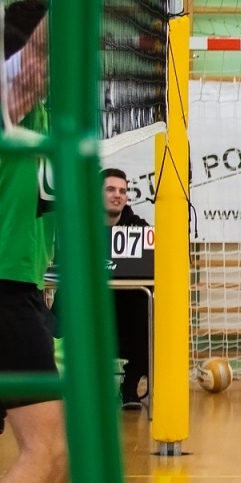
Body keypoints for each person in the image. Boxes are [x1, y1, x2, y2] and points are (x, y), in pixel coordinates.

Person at [0, 1, 67, 483]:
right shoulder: (10, 99)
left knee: (54, 452)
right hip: (1, 294)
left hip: (20, 293)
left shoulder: (43, 115)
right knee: (51, 448)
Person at [103, 168, 150, 410]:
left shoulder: (140, 228)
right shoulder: (80, 228)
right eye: (110, 189)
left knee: (153, 316)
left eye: (122, 191)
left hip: (129, 315)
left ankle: (130, 384)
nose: (117, 195)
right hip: (96, 311)